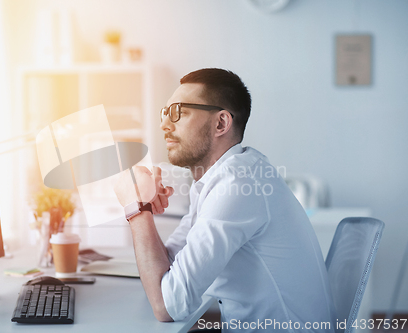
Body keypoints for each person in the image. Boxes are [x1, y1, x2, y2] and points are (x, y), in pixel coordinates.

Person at [113, 68, 336, 332]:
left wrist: (136, 209)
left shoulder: (237, 185)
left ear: (221, 123)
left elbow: (166, 305)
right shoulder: (219, 179)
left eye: (178, 113)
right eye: (165, 113)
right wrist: (145, 203)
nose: (164, 125)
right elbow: (168, 271)